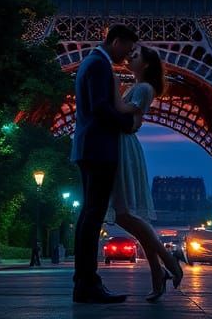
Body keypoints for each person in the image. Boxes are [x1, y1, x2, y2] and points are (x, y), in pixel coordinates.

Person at [71, 23, 141, 305]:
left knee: (89, 215)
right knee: (92, 215)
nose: (129, 54)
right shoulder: (99, 66)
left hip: (89, 147)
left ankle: (84, 282)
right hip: (98, 149)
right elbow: (100, 106)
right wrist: (127, 123)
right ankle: (87, 284)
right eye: (128, 47)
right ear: (116, 41)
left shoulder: (91, 62)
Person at [108, 45, 184, 302]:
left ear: (148, 64)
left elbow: (124, 112)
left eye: (136, 55)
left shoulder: (143, 88)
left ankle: (169, 262)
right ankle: (158, 274)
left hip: (123, 146)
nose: (130, 56)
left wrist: (112, 83)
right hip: (122, 144)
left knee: (124, 213)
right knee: (130, 216)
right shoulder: (139, 86)